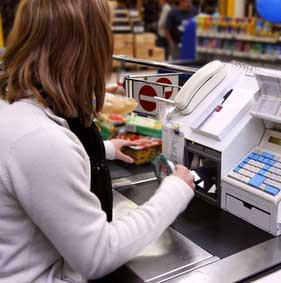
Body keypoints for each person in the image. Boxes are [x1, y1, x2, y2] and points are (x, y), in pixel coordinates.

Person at [0, 1, 195, 282]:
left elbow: (33, 172)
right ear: (88, 52)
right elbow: (98, 254)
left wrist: (105, 149)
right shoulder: (41, 141)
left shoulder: (16, 112)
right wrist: (175, 191)